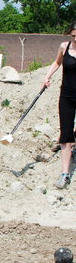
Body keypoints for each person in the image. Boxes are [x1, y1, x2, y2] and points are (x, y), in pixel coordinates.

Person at [43, 20, 76, 188]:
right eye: (74, 35)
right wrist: (48, 76)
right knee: (66, 136)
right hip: (67, 96)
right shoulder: (64, 47)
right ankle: (65, 174)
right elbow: (57, 62)